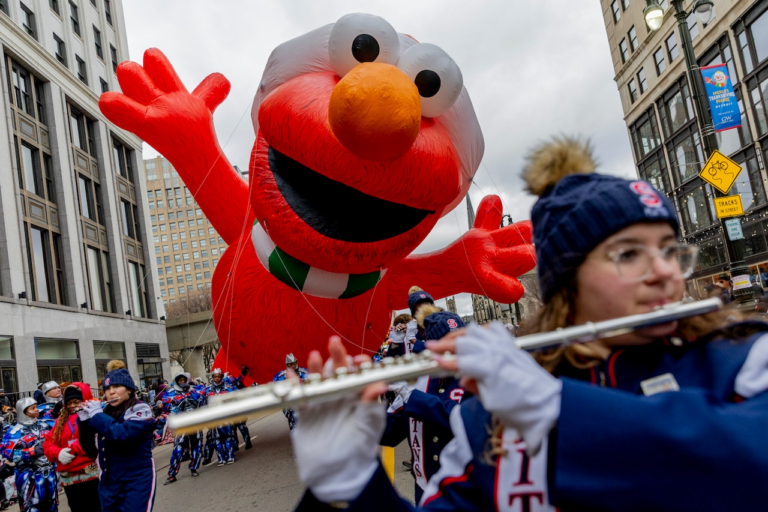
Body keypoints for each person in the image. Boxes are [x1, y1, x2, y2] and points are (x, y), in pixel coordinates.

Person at [288, 137, 768, 511]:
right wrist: (347, 482)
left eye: (668, 250)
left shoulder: (745, 359)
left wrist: (558, 410)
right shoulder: (500, 410)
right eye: (628, 254)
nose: (663, 270)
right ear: (568, 284)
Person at [381, 307, 467, 503]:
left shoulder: (475, 381)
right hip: (426, 495)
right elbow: (390, 432)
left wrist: (410, 396)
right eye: (448, 346)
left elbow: (456, 417)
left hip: (468, 497)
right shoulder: (418, 382)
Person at [78, 360, 156, 511]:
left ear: (129, 390)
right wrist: (84, 420)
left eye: (117, 386)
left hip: (136, 479)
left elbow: (122, 435)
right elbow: (90, 451)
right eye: (107, 388)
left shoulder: (140, 408)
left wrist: (96, 415)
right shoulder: (104, 414)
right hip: (108, 482)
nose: (111, 392)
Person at [43, 383, 101, 511]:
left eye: (76, 401)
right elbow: (47, 443)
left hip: (92, 476)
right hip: (69, 478)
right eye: (68, 403)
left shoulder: (93, 416)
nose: (72, 406)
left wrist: (70, 449)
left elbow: (92, 439)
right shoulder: (61, 421)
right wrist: (58, 453)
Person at [1, 398, 57, 512]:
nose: (36, 410)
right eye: (32, 408)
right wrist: (32, 451)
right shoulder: (14, 431)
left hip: (50, 470)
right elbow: (7, 453)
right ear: (23, 410)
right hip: (28, 474)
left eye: (36, 407)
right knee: (31, 506)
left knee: (52, 504)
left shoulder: (46, 424)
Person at [160, 372, 206, 484]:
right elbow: (166, 406)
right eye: (179, 380)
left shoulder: (193, 390)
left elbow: (203, 396)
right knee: (178, 448)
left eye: (183, 380)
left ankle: (194, 468)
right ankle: (172, 474)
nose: (182, 382)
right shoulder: (170, 393)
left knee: (197, 445)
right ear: (176, 381)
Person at [201, 368, 237, 466]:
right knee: (216, 439)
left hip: (226, 417)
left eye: (219, 376)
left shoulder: (228, 388)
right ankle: (221, 458)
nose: (217, 378)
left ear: (221, 377)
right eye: (215, 377)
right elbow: (202, 403)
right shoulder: (207, 390)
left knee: (229, 437)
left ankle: (230, 456)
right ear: (212, 378)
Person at [274, 355, 308, 430]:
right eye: (290, 364)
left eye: (294, 363)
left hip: (304, 401)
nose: (293, 365)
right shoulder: (280, 376)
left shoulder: (304, 372)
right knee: (294, 426)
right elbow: (275, 388)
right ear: (287, 365)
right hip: (290, 404)